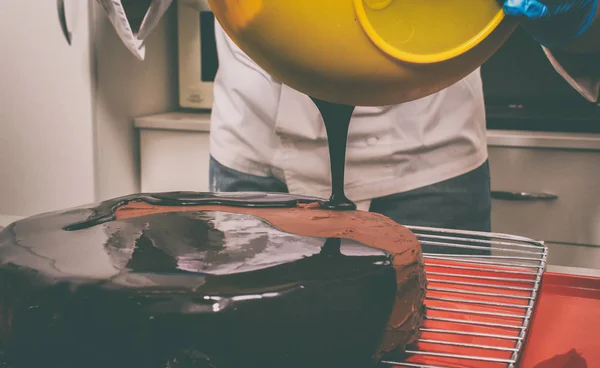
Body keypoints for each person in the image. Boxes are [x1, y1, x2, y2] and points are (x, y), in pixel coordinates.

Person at [208, 0, 599, 236]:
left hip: (430, 164)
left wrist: (584, 22)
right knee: (254, 358)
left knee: (438, 356)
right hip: (254, 149)